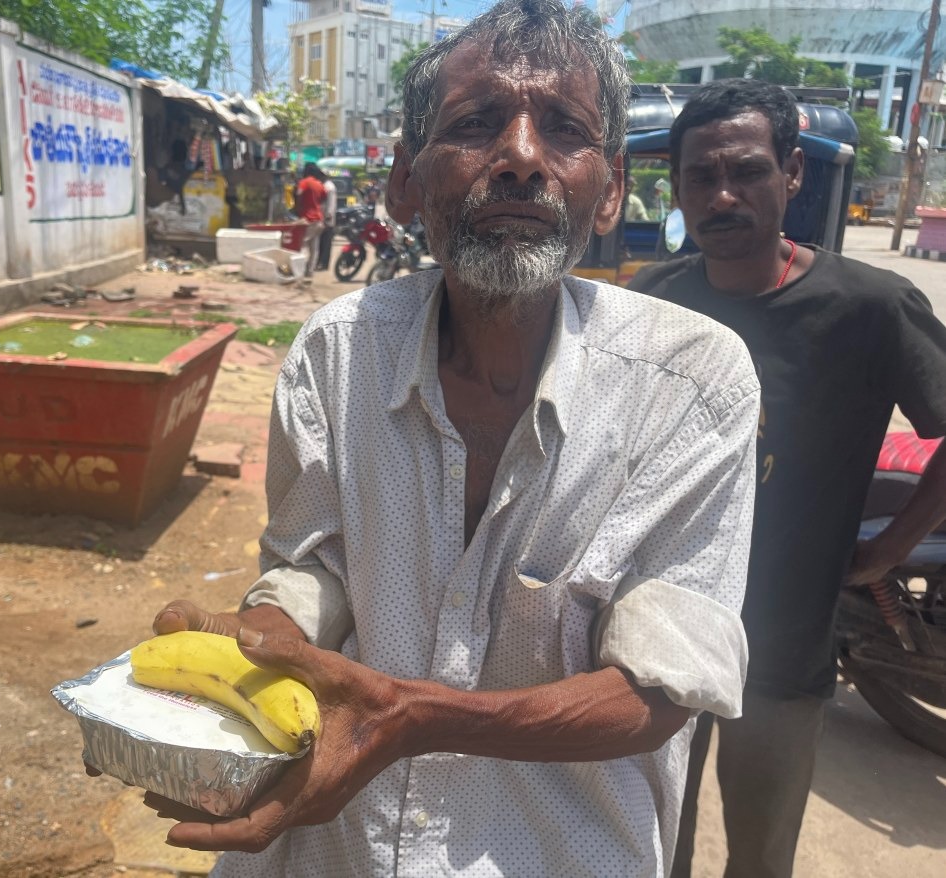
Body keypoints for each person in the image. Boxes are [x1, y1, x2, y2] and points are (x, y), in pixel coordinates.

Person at [139, 3, 760, 874]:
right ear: (405, 179)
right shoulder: (338, 349)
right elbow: (316, 568)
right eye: (474, 123)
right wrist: (257, 643)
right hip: (335, 850)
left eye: (565, 129)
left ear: (613, 188)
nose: (521, 155)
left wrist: (412, 718)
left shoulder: (692, 381)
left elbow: (660, 690)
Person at [628, 79, 946, 878]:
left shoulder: (869, 308)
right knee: (647, 848)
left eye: (747, 171)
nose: (722, 196)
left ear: (792, 172)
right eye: (701, 176)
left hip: (785, 650)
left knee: (761, 858)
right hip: (660, 636)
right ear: (677, 187)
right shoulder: (652, 305)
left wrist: (890, 548)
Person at [294, 162, 326, 280]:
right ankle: (310, 272)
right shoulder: (319, 184)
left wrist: (298, 207)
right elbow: (323, 198)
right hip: (319, 220)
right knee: (314, 248)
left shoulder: (304, 182)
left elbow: (299, 193)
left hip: (308, 219)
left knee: (302, 245)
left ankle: (299, 271)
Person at [315, 170, 337, 271]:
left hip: (327, 220)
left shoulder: (329, 187)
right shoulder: (324, 185)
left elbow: (331, 204)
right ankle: (320, 262)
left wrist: (328, 217)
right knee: (321, 242)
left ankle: (324, 263)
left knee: (326, 243)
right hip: (323, 218)